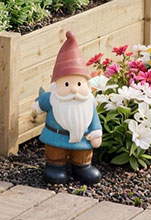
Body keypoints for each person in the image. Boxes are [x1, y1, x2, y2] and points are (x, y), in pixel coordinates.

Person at [32, 31, 103, 184]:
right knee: (55, 154)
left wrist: (96, 133)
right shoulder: (53, 99)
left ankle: (82, 167)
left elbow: (94, 120)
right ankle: (55, 166)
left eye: (79, 84)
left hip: (83, 141)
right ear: (56, 85)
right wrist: (37, 106)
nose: (74, 90)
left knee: (83, 157)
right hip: (56, 138)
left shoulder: (88, 102)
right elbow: (40, 104)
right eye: (66, 84)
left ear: (85, 83)